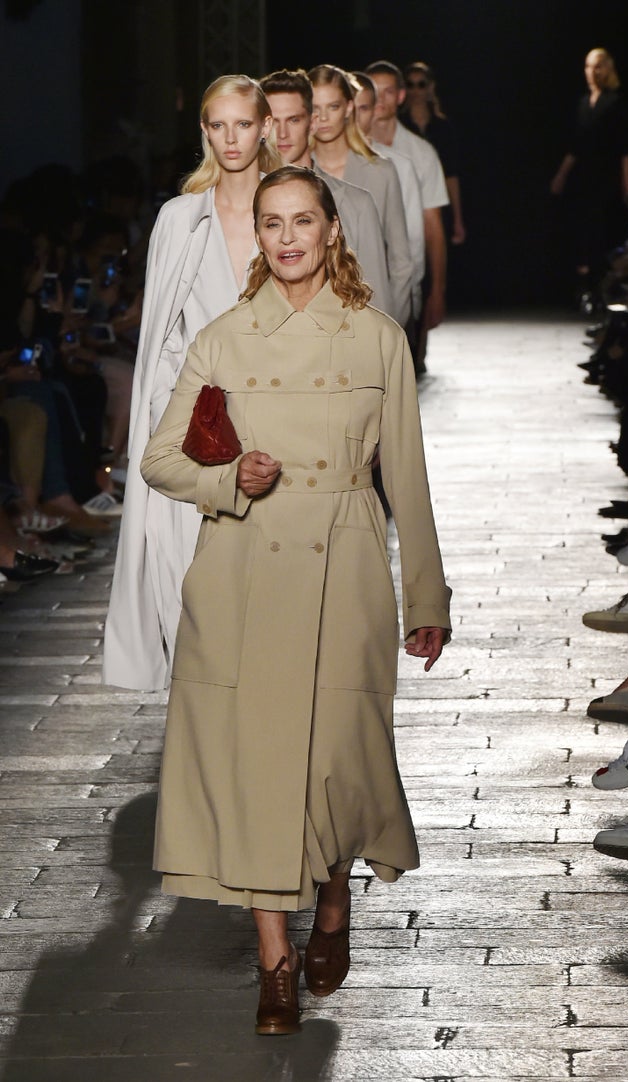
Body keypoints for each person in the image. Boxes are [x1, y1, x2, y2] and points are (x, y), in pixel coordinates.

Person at [139, 166, 452, 1036]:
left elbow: (410, 482)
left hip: (344, 559)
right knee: (255, 764)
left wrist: (426, 594)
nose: (285, 238)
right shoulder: (225, 338)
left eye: (302, 221)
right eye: (272, 222)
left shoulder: (375, 338)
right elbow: (160, 460)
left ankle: (334, 898)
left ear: (329, 230)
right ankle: (274, 965)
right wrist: (229, 476)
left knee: (337, 760)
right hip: (241, 565)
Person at [103, 75, 281, 691]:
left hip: (281, 417)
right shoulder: (179, 219)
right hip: (197, 423)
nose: (231, 138)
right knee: (190, 578)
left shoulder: (288, 210)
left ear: (265, 128)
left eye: (242, 124)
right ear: (204, 132)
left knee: (269, 586)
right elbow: (162, 332)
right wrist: (169, 413)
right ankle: (205, 731)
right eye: (218, 125)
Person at [259, 68, 394, 320]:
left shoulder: (357, 204)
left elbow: (378, 308)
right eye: (274, 122)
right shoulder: (240, 204)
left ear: (311, 123)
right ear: (261, 128)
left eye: (294, 120)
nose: (283, 133)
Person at [307, 63, 412, 327]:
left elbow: (400, 262)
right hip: (312, 321)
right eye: (315, 108)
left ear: (348, 108)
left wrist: (391, 326)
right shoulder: (297, 175)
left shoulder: (382, 172)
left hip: (371, 315)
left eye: (332, 106)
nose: (323, 118)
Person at [366, 60, 449, 373]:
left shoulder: (421, 153)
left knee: (404, 376)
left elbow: (432, 227)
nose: (380, 99)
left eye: (388, 91)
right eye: (373, 91)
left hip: (406, 283)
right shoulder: (339, 152)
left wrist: (436, 291)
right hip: (356, 285)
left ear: (400, 96)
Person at [550, 47, 628, 301]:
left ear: (607, 69)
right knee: (581, 229)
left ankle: (600, 289)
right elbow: (576, 144)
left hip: (605, 176)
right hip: (583, 176)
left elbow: (623, 146)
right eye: (588, 66)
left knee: (600, 231)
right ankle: (583, 286)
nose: (592, 72)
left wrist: (626, 180)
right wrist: (561, 175)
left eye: (597, 66)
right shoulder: (584, 103)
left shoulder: (615, 102)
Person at [400, 61, 466, 246]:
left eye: (421, 84)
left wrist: (457, 219)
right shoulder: (398, 126)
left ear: (430, 88)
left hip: (437, 204)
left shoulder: (443, 128)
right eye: (410, 84)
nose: (416, 90)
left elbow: (451, 174)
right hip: (405, 206)